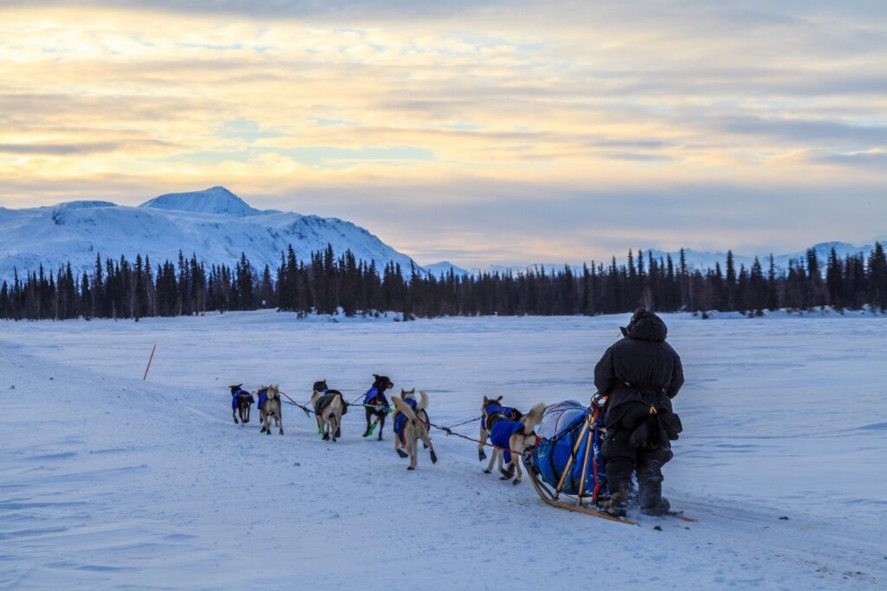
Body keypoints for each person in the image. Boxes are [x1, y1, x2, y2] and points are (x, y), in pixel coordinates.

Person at [594, 308, 684, 516]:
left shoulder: (619, 348)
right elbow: (676, 384)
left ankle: (619, 497)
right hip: (658, 410)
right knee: (652, 450)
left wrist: (615, 391)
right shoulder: (669, 352)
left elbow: (601, 379)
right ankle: (651, 500)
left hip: (624, 409)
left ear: (633, 325)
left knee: (619, 451)